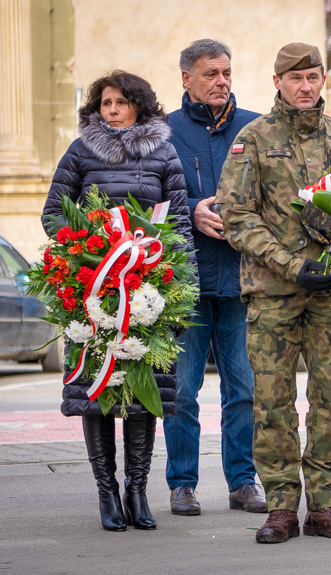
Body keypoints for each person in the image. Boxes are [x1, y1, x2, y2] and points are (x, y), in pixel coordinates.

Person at [215, 42, 331, 544]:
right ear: (278, 82)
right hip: (274, 293)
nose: (305, 86)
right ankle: (279, 508)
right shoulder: (252, 139)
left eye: (313, 77)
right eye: (295, 79)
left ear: (322, 80)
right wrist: (292, 264)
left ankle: (326, 505)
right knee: (272, 402)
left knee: (329, 401)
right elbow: (236, 216)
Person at [42, 70, 195, 531]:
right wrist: (87, 250)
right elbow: (54, 214)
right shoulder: (81, 151)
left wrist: (178, 287)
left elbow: (181, 224)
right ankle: (107, 493)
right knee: (98, 394)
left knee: (143, 393)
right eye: (105, 103)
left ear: (139, 107)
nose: (111, 110)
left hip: (148, 288)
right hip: (93, 289)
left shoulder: (165, 153)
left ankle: (137, 490)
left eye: (121, 102)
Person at [163, 39, 264, 516]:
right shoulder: (163, 132)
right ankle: (182, 484)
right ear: (186, 78)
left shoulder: (257, 127)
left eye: (226, 72)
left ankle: (243, 481)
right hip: (185, 283)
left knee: (242, 389)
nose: (222, 81)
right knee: (182, 391)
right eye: (210, 74)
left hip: (243, 279)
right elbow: (147, 199)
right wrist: (191, 210)